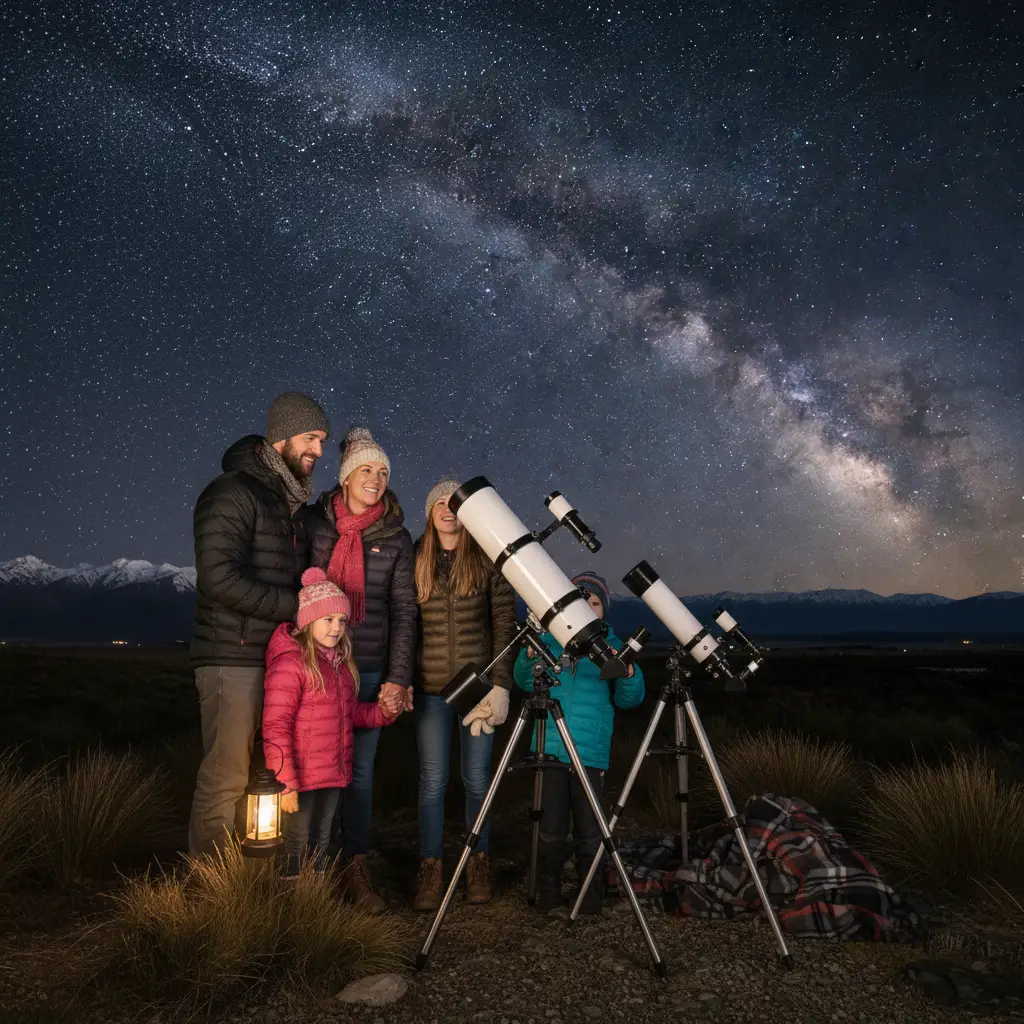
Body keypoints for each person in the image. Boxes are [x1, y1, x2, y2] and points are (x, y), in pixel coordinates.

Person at [188, 392, 331, 858]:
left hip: (270, 658)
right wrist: (296, 608)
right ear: (283, 436)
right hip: (232, 656)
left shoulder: (281, 502)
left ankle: (248, 883)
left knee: (263, 778)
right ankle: (209, 888)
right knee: (225, 776)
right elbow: (219, 579)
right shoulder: (232, 492)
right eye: (312, 438)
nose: (319, 451)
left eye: (324, 440)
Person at [300, 425, 417, 912]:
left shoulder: (396, 535)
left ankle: (355, 866)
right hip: (319, 666)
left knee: (359, 774)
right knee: (314, 771)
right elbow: (298, 592)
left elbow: (405, 610)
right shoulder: (314, 524)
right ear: (345, 477)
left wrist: (398, 676)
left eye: (383, 471)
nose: (376, 478)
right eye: (366, 469)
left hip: (368, 668)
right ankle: (309, 871)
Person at [411, 477, 518, 911]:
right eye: (439, 502)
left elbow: (504, 625)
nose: (447, 509)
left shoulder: (487, 558)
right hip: (432, 691)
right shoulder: (416, 557)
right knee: (432, 782)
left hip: (478, 689)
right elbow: (406, 625)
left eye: (454, 502)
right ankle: (431, 866)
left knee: (477, 780)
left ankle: (478, 862)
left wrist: (502, 685)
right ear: (430, 511)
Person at [512, 571, 644, 914]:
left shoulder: (612, 646)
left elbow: (630, 699)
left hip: (590, 752)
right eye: (580, 599)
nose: (588, 605)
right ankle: (549, 893)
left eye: (595, 601)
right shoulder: (550, 643)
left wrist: (628, 672)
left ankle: (590, 896)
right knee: (551, 830)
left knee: (589, 830)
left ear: (604, 610)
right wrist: (528, 656)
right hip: (551, 748)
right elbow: (525, 681)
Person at [262, 568, 398, 878]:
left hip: (332, 773)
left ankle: (315, 903)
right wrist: (285, 784)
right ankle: (290, 906)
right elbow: (275, 727)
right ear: (308, 620)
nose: (336, 628)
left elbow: (350, 715)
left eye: (341, 621)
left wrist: (383, 713)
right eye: (328, 620)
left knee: (321, 841)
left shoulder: (340, 665)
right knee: (295, 844)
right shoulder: (291, 663)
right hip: (300, 778)